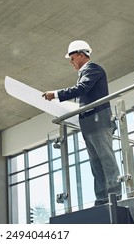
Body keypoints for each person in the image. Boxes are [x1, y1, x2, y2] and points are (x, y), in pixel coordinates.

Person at [42, 40, 121, 206]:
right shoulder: (85, 73)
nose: (71, 63)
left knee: (106, 158)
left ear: (81, 54)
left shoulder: (93, 69)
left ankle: (115, 194)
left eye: (72, 58)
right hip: (89, 123)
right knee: (95, 162)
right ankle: (102, 197)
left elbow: (82, 88)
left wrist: (56, 94)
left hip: (99, 120)